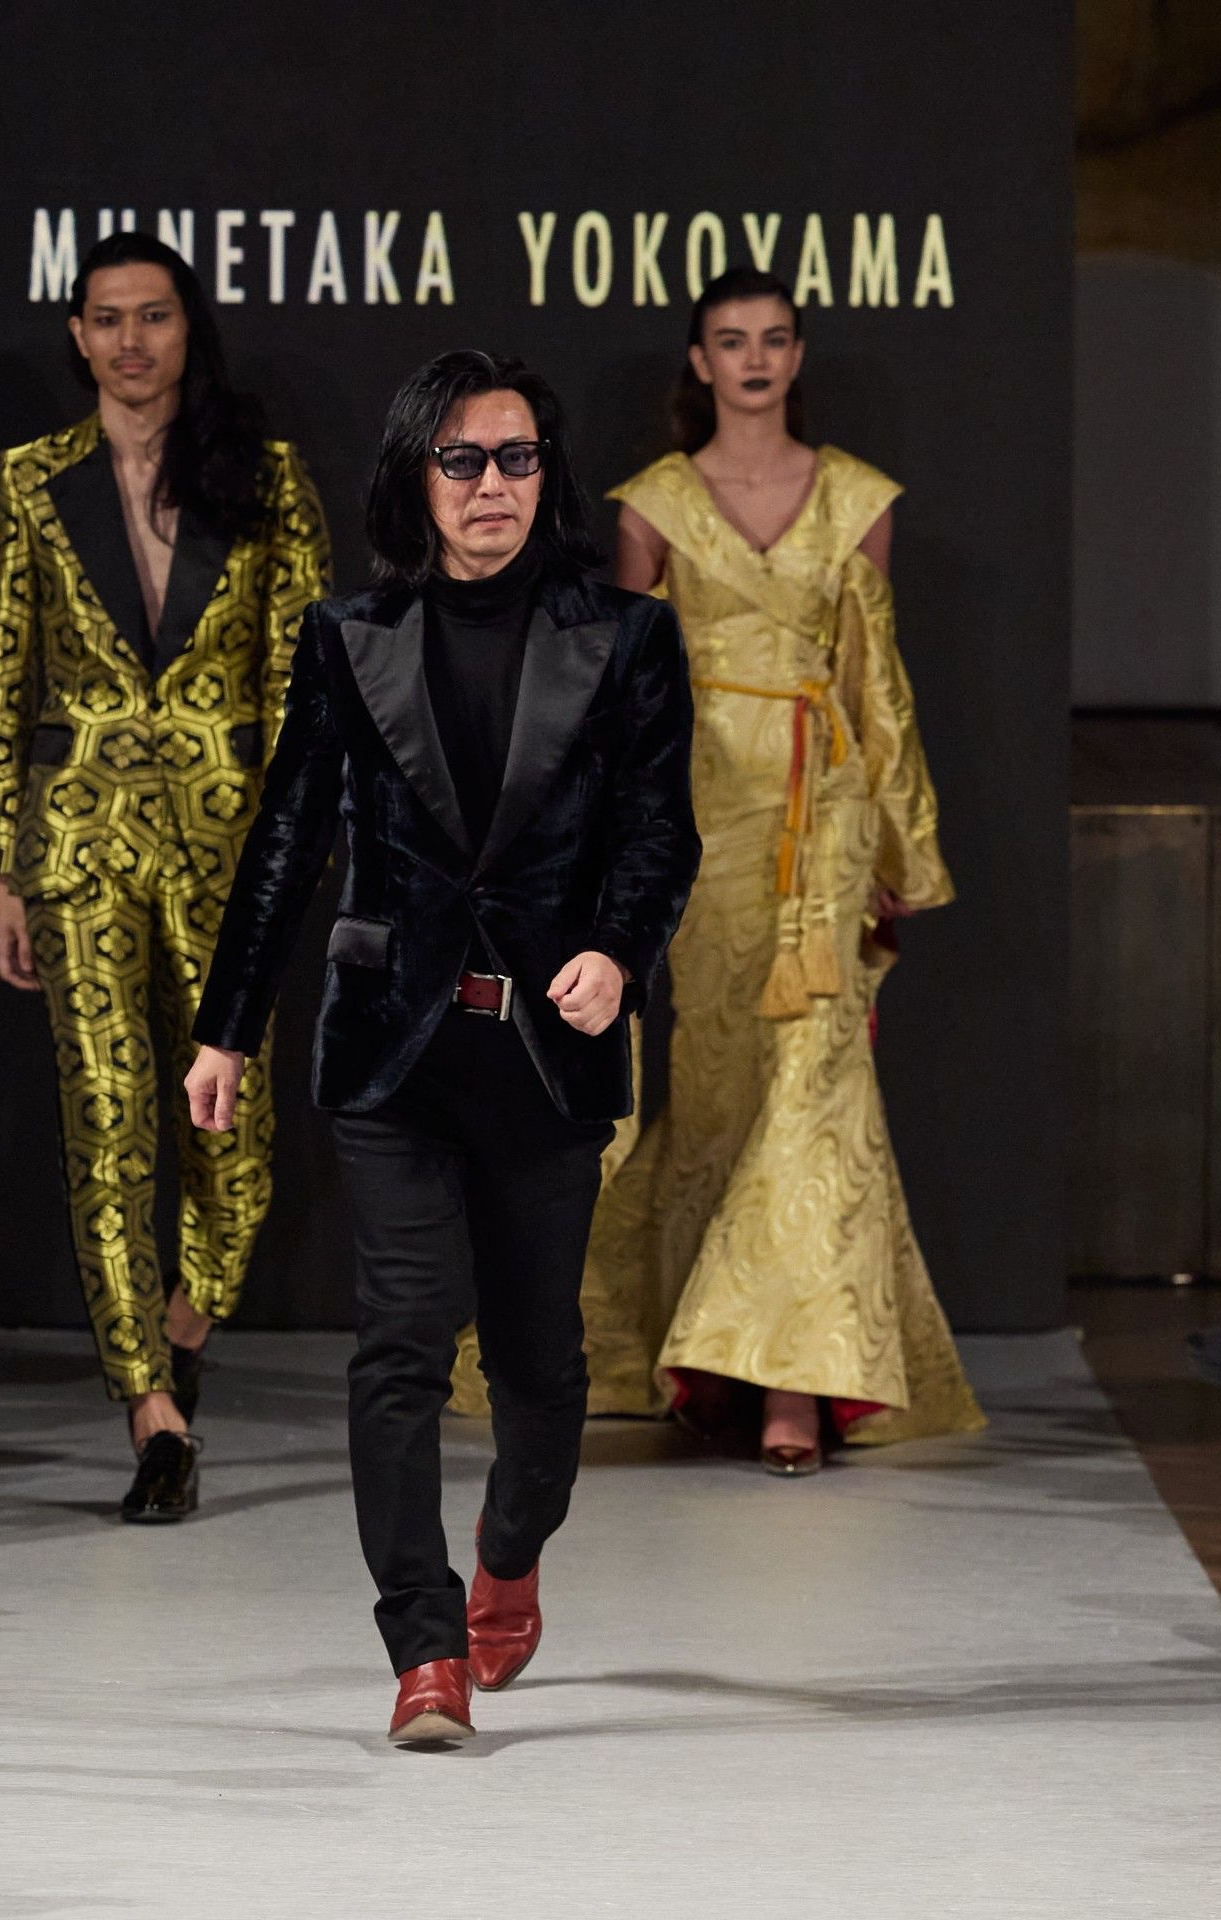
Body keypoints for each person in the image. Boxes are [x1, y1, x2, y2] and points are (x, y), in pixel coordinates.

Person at [185, 349, 699, 1744]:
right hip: (393, 1047)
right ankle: (423, 1648)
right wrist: (228, 1027)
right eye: (463, 459)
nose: (491, 486)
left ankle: (509, 1556)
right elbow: (287, 840)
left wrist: (618, 953)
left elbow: (661, 833)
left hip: (546, 1049)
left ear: (549, 473)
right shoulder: (349, 637)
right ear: (417, 476)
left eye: (517, 458)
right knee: (403, 1337)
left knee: (539, 1366)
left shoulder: (628, 639)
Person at [534, 268, 984, 1469]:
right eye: (730, 341)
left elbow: (875, 680)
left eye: (774, 339)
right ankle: (709, 1359)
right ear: (700, 362)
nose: (753, 359)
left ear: (797, 355)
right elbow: (618, 692)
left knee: (815, 1078)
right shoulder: (654, 506)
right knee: (721, 1088)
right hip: (701, 821)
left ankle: (796, 1387)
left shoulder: (857, 498)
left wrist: (896, 840)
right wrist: (604, 845)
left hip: (824, 817)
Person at [0, 231, 329, 1521]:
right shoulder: (28, 482)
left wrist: (296, 848)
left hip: (232, 844)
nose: (131, 340)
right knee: (108, 1117)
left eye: (154, 315)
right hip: (75, 842)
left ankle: (184, 1324)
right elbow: (1, 687)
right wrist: (3, 869)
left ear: (189, 329)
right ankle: (150, 1410)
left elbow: (304, 684)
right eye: (108, 317)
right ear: (77, 335)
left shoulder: (267, 475)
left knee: (233, 1132)